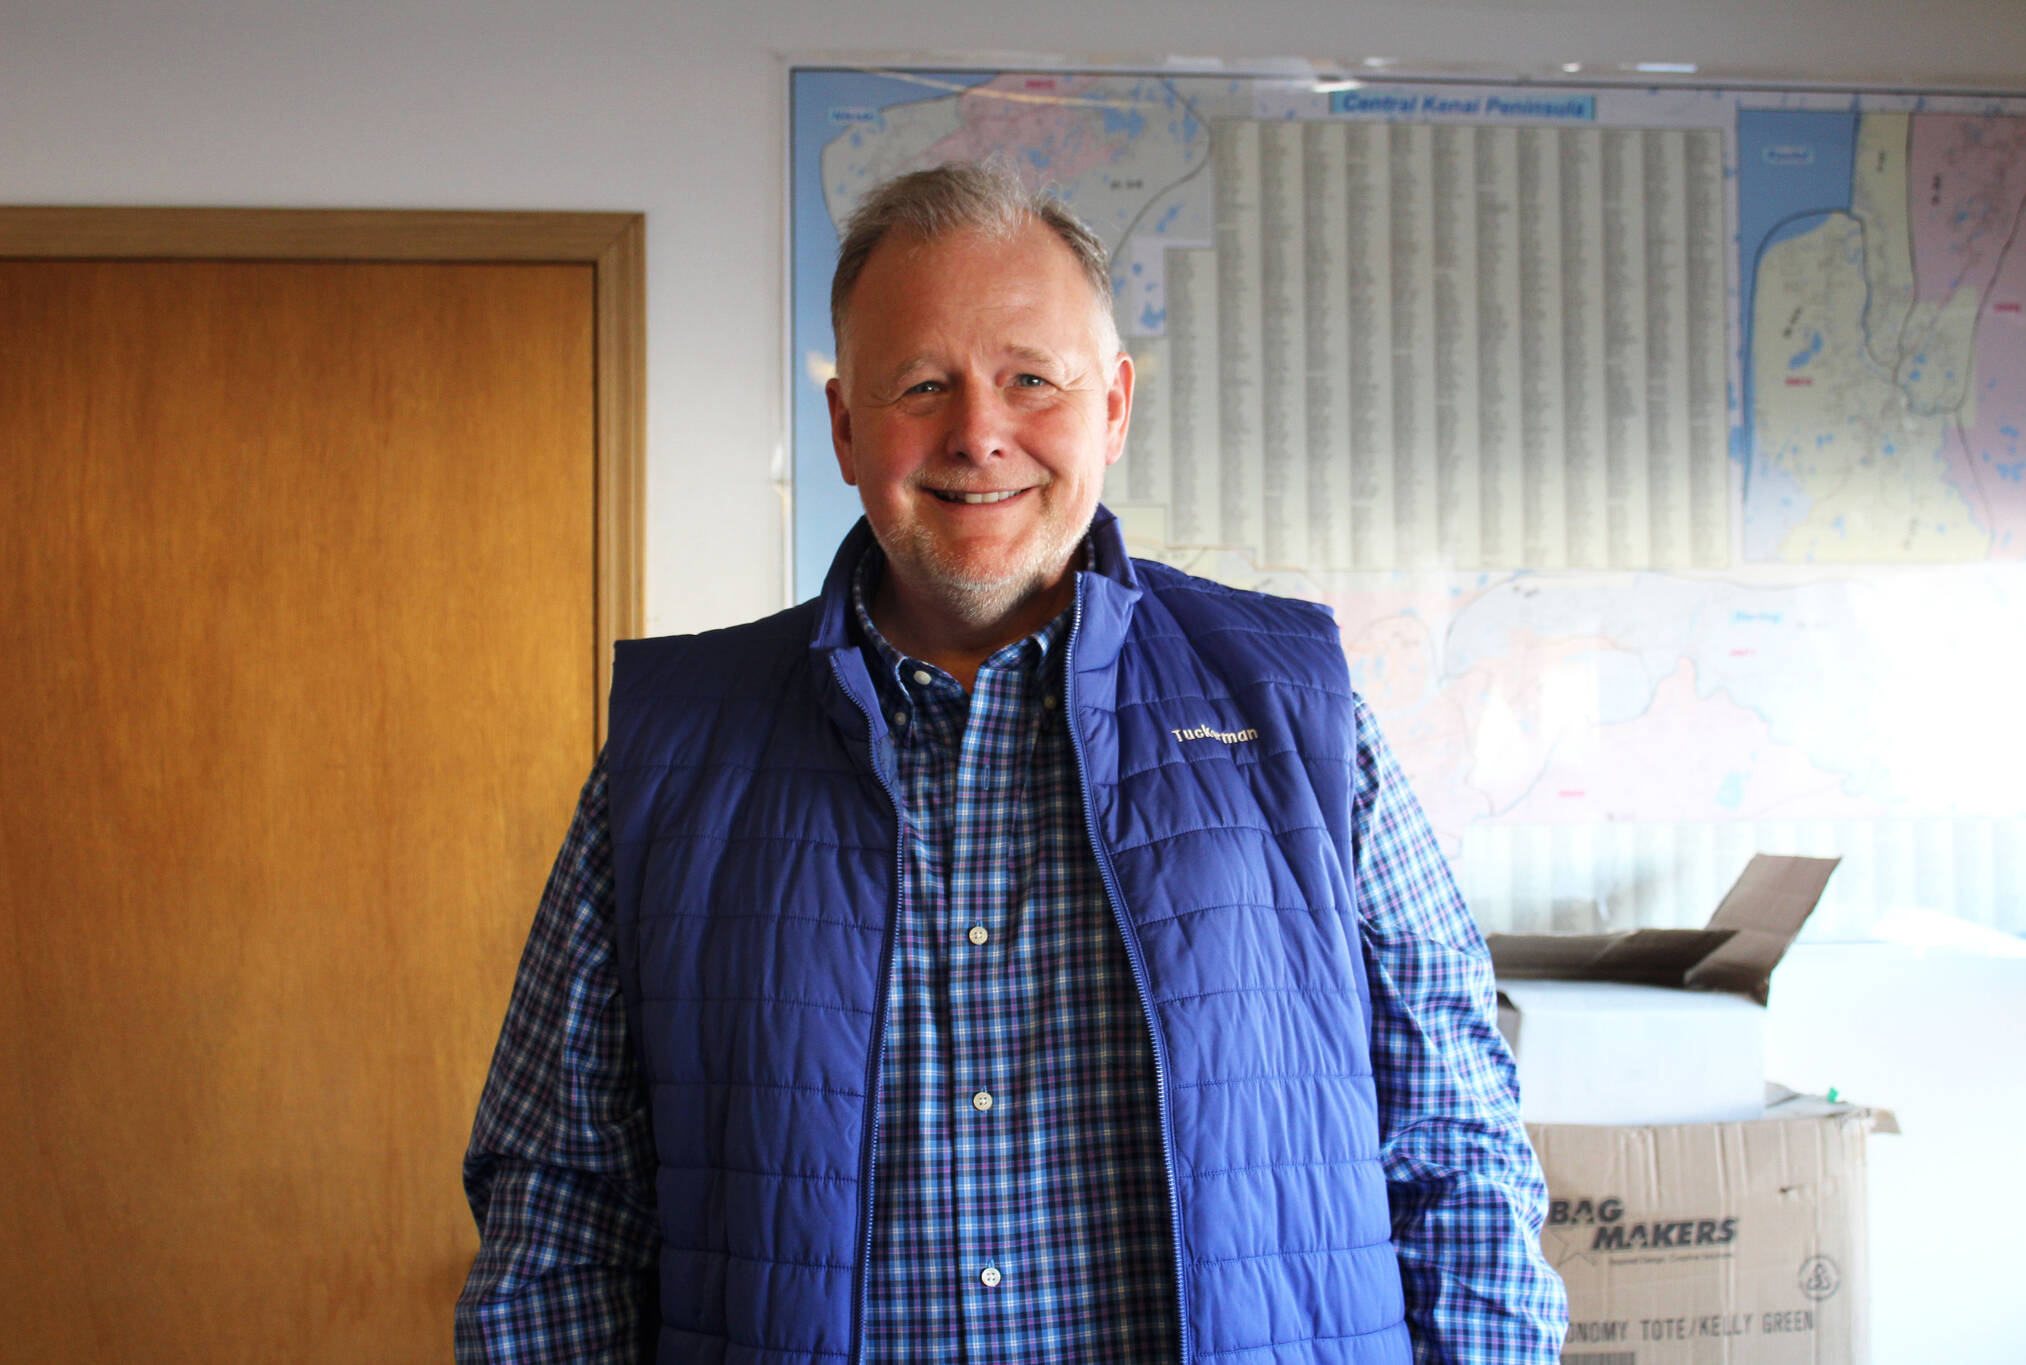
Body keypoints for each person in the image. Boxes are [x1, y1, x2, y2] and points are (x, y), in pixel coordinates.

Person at [457, 161, 1567, 1365]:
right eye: (920, 383)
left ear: (1114, 408)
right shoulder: (676, 749)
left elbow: (1455, 1148)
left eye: (1030, 379)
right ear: (842, 427)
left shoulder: (1296, 708)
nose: (977, 433)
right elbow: (559, 1204)